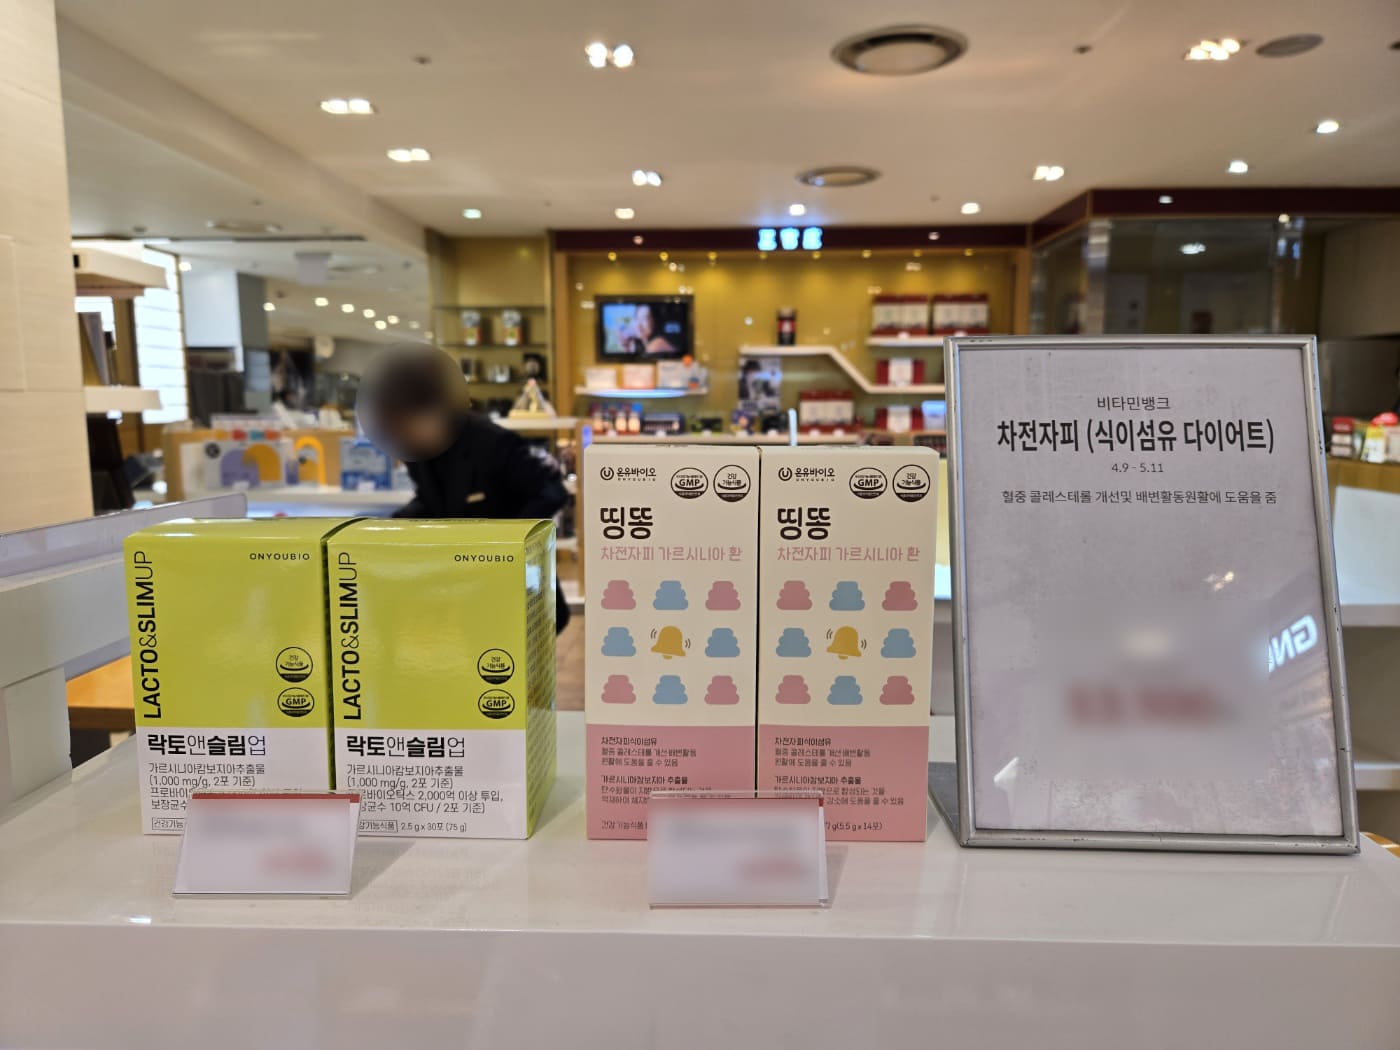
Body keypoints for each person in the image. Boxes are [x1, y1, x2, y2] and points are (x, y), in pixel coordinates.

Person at [357, 346, 572, 632]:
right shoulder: (417, 447)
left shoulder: (492, 443)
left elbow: (552, 491)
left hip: (518, 579)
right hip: (469, 583)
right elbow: (433, 500)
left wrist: (511, 539)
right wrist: (394, 527)